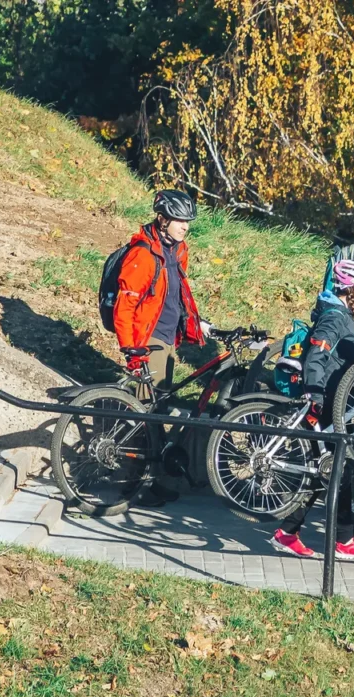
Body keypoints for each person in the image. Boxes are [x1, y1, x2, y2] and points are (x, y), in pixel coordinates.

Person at [270, 260, 354, 562]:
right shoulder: (335, 317)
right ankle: (336, 540)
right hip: (324, 401)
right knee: (333, 469)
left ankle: (294, 534)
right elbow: (317, 356)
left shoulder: (342, 313)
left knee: (331, 470)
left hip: (335, 401)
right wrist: (315, 393)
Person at [113, 189, 210, 507]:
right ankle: (132, 485)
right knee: (146, 417)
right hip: (148, 340)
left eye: (188, 221)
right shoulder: (142, 255)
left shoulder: (178, 250)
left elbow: (178, 293)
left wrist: (198, 324)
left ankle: (153, 482)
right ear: (163, 219)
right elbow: (124, 306)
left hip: (168, 340)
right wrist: (131, 349)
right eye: (180, 220)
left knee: (158, 413)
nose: (185, 226)